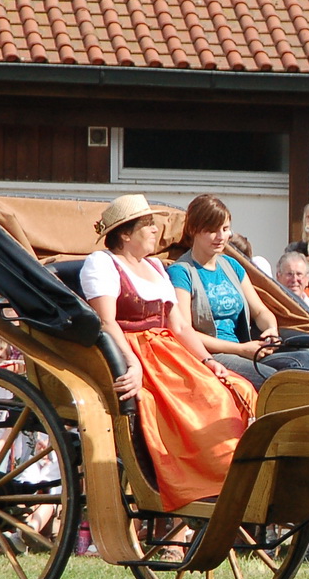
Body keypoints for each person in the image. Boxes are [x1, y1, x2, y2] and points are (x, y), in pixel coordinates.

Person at [81, 194, 257, 510]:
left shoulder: (156, 267)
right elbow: (107, 322)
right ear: (125, 234)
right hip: (133, 350)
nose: (155, 230)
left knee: (237, 388)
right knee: (205, 401)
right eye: (148, 225)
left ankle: (232, 476)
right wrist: (131, 364)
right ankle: (204, 482)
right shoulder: (102, 263)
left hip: (169, 350)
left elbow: (180, 327)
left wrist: (208, 361)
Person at [168, 194, 295, 387]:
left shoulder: (232, 265)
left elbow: (260, 311)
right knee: (276, 382)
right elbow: (185, 331)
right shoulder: (181, 272)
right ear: (194, 230)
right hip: (213, 355)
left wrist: (271, 330)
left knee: (303, 364)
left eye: (225, 229)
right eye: (212, 230)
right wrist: (241, 349)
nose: (221, 237)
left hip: (246, 350)